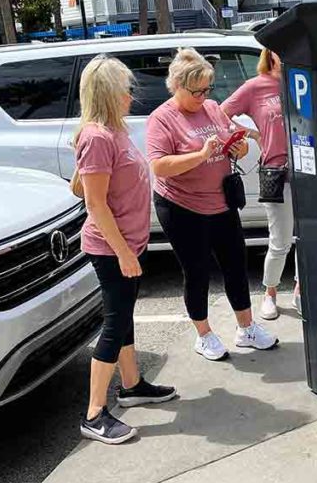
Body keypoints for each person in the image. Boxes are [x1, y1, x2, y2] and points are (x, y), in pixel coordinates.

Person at [147, 48, 278, 361]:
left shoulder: (212, 107)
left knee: (235, 263)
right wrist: (201, 156)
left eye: (208, 89)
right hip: (182, 206)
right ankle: (203, 334)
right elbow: (159, 166)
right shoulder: (161, 119)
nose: (204, 96)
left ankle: (246, 328)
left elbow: (232, 137)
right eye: (197, 91)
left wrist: (239, 146)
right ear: (177, 86)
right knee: (197, 271)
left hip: (221, 202)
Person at [75, 55, 177, 446]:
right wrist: (123, 252)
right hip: (111, 247)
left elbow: (82, 186)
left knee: (126, 317)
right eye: (125, 87)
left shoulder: (111, 132)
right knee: (115, 323)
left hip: (129, 242)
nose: (130, 94)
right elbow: (95, 204)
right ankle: (94, 413)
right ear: (107, 92)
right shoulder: (98, 137)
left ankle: (132, 385)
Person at [221, 49, 300, 320]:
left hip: (309, 170)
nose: (284, 51)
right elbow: (221, 114)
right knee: (280, 241)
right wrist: (253, 134)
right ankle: (271, 292)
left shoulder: (302, 78)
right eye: (278, 47)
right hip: (276, 171)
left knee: (310, 238)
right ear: (270, 53)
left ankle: (301, 290)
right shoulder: (256, 86)